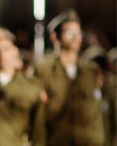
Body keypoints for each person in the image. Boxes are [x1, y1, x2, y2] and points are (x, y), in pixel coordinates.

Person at [34, 9, 106, 145]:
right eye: (70, 33)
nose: (76, 38)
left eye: (79, 33)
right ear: (55, 37)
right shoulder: (43, 71)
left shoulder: (90, 72)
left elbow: (98, 116)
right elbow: (38, 117)